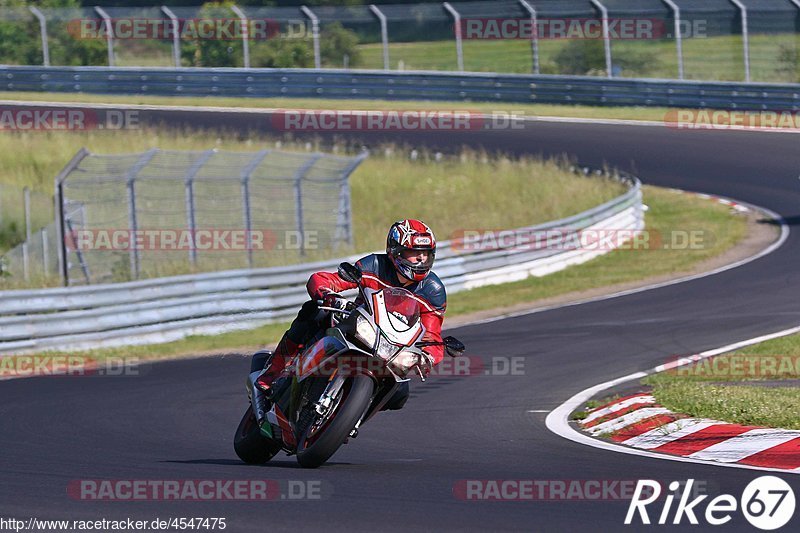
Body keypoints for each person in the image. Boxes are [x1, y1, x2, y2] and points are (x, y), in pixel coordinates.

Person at [255, 219, 447, 411]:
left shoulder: (433, 291)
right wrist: (328, 295)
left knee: (399, 394)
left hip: (391, 350)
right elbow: (324, 279)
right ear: (395, 251)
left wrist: (427, 358)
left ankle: (351, 415)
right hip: (357, 326)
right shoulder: (374, 265)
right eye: (413, 253)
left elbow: (432, 337)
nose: (421, 259)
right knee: (314, 311)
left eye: (426, 253)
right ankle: (273, 372)